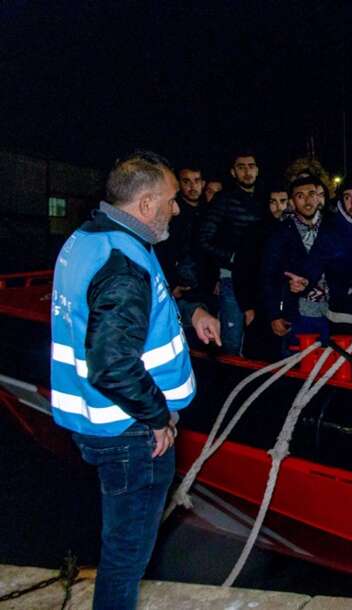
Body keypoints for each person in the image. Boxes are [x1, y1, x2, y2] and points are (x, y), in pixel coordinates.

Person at [49, 151, 220, 610]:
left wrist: (190, 312)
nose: (177, 207)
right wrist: (158, 415)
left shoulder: (95, 239)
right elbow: (111, 364)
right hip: (131, 434)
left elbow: (126, 310)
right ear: (145, 204)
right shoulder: (124, 262)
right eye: (169, 199)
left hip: (104, 423)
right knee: (126, 559)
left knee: (120, 549)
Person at [289, 177, 352, 369]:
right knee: (343, 373)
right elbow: (316, 259)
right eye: (346, 197)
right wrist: (304, 280)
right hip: (343, 317)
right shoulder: (333, 228)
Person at [198, 150, 262, 355]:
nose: (247, 172)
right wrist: (233, 258)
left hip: (259, 279)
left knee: (255, 341)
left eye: (251, 166)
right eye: (241, 167)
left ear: (257, 170)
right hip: (231, 278)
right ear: (233, 172)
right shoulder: (224, 199)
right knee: (231, 343)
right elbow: (204, 239)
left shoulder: (264, 199)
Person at [261, 176, 330, 356]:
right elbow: (268, 274)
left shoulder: (332, 227)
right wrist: (275, 315)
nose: (307, 200)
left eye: (312, 194)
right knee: (296, 369)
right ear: (292, 201)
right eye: (300, 196)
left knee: (330, 370)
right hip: (297, 313)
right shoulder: (281, 232)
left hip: (332, 313)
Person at [155, 165, 206, 298]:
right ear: (178, 184)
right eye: (186, 181)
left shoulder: (209, 211)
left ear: (203, 183)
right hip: (179, 284)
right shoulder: (171, 212)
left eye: (196, 180)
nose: (192, 186)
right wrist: (172, 283)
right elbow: (162, 249)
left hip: (205, 283)